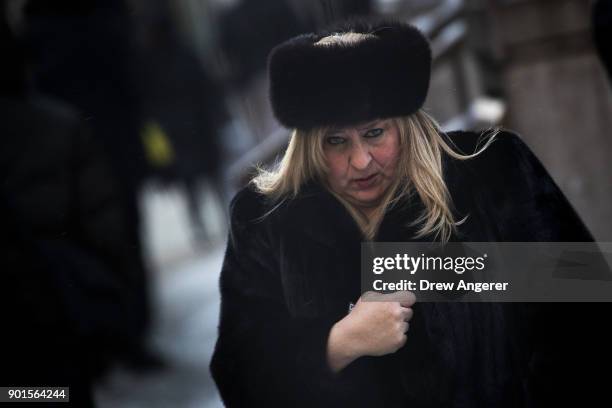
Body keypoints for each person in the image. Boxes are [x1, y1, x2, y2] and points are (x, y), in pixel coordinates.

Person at [210, 19, 607, 407]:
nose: (361, 160)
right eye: (336, 141)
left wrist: (419, 269)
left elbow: (583, 312)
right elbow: (238, 375)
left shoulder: (492, 171)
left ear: (404, 125)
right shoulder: (266, 220)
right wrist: (339, 344)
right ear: (311, 146)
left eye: (374, 133)